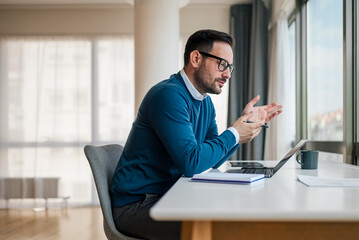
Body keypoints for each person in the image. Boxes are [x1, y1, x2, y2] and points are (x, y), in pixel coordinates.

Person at [110, 29, 282, 240]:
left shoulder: (205, 103)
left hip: (168, 195)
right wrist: (235, 132)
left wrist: (242, 129)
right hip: (138, 206)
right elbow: (192, 162)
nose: (227, 74)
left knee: (234, 215)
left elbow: (209, 160)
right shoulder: (168, 95)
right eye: (222, 64)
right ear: (196, 58)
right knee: (223, 229)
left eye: (230, 67)